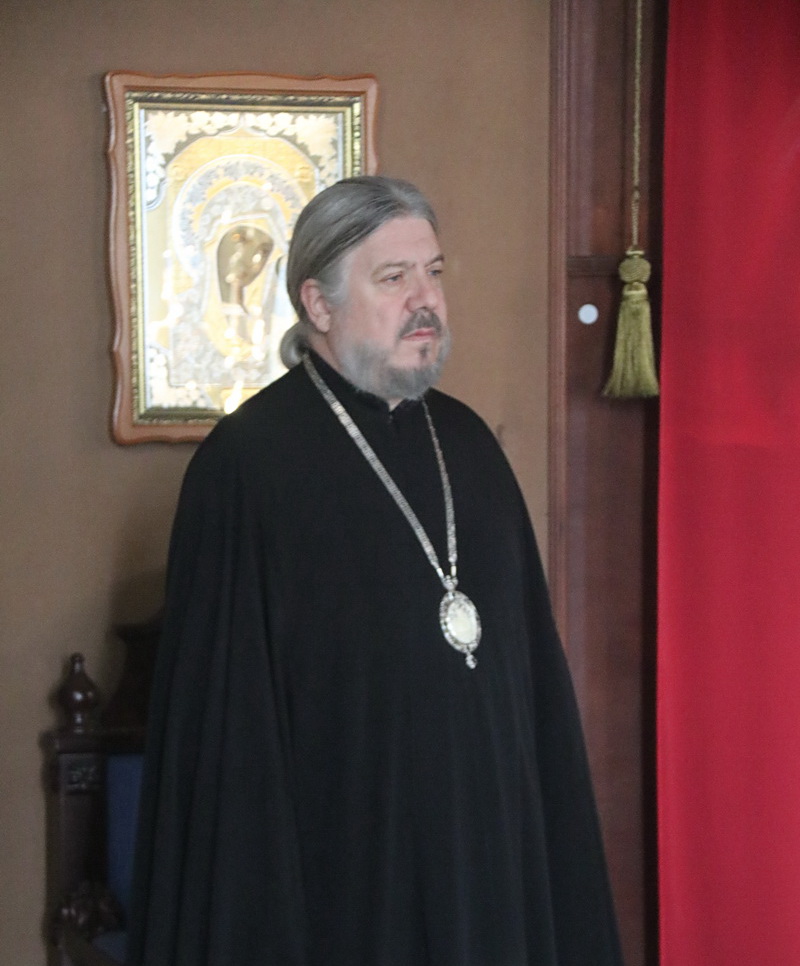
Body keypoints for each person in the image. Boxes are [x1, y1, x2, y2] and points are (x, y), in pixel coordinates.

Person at [127, 176, 623, 966]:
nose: (425, 300)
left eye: (434, 272)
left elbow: (531, 699)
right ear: (318, 304)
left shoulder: (470, 447)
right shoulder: (248, 466)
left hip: (485, 865)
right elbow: (230, 748)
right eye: (393, 278)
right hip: (347, 878)